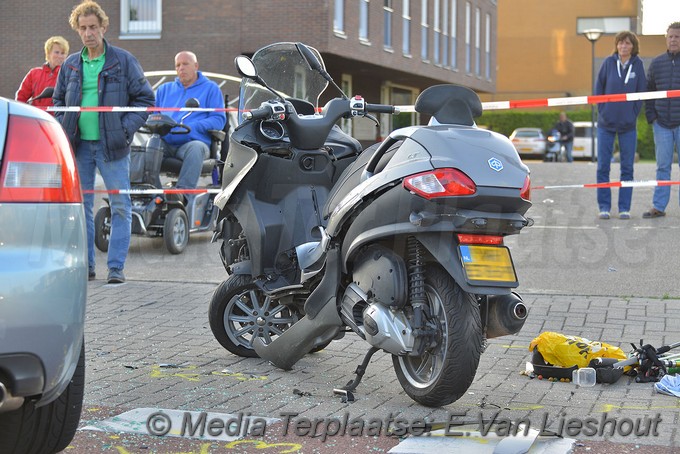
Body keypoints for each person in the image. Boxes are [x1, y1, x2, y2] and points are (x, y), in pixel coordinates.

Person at [53, 1, 154, 284]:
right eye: (83, 28)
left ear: (103, 27)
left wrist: (124, 129)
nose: (88, 33)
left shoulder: (122, 60)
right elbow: (59, 101)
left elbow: (146, 100)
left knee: (121, 205)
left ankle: (116, 268)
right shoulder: (71, 64)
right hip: (79, 146)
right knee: (81, 207)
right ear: (77, 30)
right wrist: (64, 124)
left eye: (93, 27)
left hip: (113, 147)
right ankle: (86, 267)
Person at [155, 51, 226, 194]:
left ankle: (183, 196)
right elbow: (154, 115)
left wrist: (193, 127)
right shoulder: (164, 90)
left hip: (192, 143)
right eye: (178, 65)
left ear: (196, 66)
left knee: (196, 148)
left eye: (185, 64)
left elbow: (219, 120)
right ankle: (152, 193)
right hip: (167, 142)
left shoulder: (211, 88)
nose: (181, 68)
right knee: (147, 148)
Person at [594, 31, 647, 220]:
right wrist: (604, 110)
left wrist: (632, 114)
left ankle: (625, 208)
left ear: (633, 46)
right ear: (616, 46)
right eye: (620, 43)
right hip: (605, 125)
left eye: (627, 43)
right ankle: (604, 207)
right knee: (602, 167)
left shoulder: (638, 65)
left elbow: (641, 93)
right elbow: (598, 89)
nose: (623, 46)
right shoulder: (608, 63)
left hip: (628, 127)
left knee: (627, 168)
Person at [643, 22, 680, 219]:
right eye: (671, 36)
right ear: (666, 39)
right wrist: (652, 117)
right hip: (662, 124)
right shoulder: (657, 63)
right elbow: (649, 92)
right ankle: (658, 206)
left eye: (677, 36)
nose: (674, 40)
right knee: (662, 167)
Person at [15, 36, 70, 109]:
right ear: (48, 53)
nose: (60, 56)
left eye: (63, 53)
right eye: (57, 52)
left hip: (58, 118)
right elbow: (21, 97)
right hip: (37, 117)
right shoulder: (34, 73)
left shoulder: (69, 75)